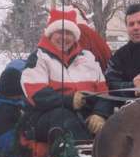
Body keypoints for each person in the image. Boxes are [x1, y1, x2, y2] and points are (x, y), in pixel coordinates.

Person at [20, 8, 112, 143]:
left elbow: (103, 92)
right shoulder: (39, 57)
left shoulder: (88, 57)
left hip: (85, 114)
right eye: (59, 32)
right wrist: (69, 100)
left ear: (75, 36)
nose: (64, 37)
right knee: (63, 118)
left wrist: (99, 114)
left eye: (68, 33)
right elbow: (37, 94)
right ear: (50, 34)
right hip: (46, 117)